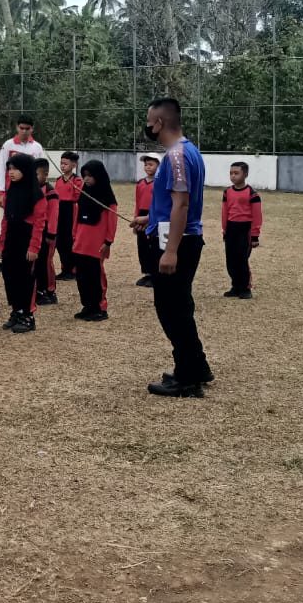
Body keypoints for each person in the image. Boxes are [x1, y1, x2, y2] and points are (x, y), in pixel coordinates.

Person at [143, 98, 214, 398]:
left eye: (148, 121)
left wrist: (171, 250)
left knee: (171, 310)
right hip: (176, 235)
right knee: (180, 306)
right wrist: (147, 218)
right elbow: (174, 202)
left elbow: (182, 204)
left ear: (159, 122)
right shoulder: (189, 151)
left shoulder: (175, 156)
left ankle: (187, 378)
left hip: (178, 242)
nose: (147, 127)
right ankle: (196, 366)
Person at [0, 152, 46, 334]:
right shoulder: (11, 192)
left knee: (25, 277)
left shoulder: (36, 195)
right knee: (9, 275)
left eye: (16, 169)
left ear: (26, 170)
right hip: (12, 238)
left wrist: (34, 247)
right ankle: (16, 310)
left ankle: (28, 315)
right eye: (9, 168)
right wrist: (1, 244)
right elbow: (5, 220)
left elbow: (39, 223)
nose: (11, 172)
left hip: (26, 240)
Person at [0, 116, 45, 272]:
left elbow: (40, 171)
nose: (24, 131)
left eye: (27, 128)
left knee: (29, 223)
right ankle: (3, 256)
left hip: (28, 194)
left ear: (32, 129)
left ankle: (29, 252)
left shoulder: (37, 147)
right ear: (17, 127)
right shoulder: (8, 145)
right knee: (5, 222)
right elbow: (2, 169)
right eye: (21, 128)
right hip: (11, 193)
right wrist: (1, 192)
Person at [72, 160, 118, 323]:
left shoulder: (107, 198)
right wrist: (74, 235)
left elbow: (112, 221)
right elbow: (77, 216)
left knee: (95, 274)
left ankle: (100, 307)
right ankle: (88, 305)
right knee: (82, 276)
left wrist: (108, 241)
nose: (86, 179)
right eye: (84, 175)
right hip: (81, 242)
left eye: (90, 176)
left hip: (97, 244)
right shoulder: (83, 194)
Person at [221, 161, 263, 299]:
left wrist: (255, 235)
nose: (233, 176)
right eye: (231, 173)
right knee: (230, 259)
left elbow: (257, 215)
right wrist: (225, 230)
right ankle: (235, 286)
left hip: (245, 229)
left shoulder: (252, 194)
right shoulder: (227, 192)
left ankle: (245, 288)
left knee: (241, 259)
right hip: (231, 228)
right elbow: (225, 212)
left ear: (245, 174)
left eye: (236, 173)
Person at [31, 158, 59, 307]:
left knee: (46, 262)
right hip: (37, 232)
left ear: (45, 174)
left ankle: (50, 290)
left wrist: (51, 234)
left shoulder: (50, 192)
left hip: (48, 234)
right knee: (37, 263)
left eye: (36, 174)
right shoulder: (33, 190)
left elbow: (54, 215)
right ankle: (40, 289)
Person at [132, 155, 160, 288]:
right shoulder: (140, 183)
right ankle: (147, 272)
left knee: (152, 245)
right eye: (146, 165)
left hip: (153, 216)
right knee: (142, 245)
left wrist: (152, 218)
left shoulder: (159, 183)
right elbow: (137, 203)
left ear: (158, 166)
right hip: (141, 214)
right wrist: (135, 219)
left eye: (151, 164)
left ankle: (156, 274)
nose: (148, 167)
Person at [54, 152, 83, 280]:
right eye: (61, 163)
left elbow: (79, 198)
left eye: (66, 164)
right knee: (60, 242)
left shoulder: (77, 181)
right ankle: (65, 268)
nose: (63, 166)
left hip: (71, 211)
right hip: (59, 211)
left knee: (69, 241)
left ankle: (74, 269)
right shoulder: (59, 180)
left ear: (73, 165)